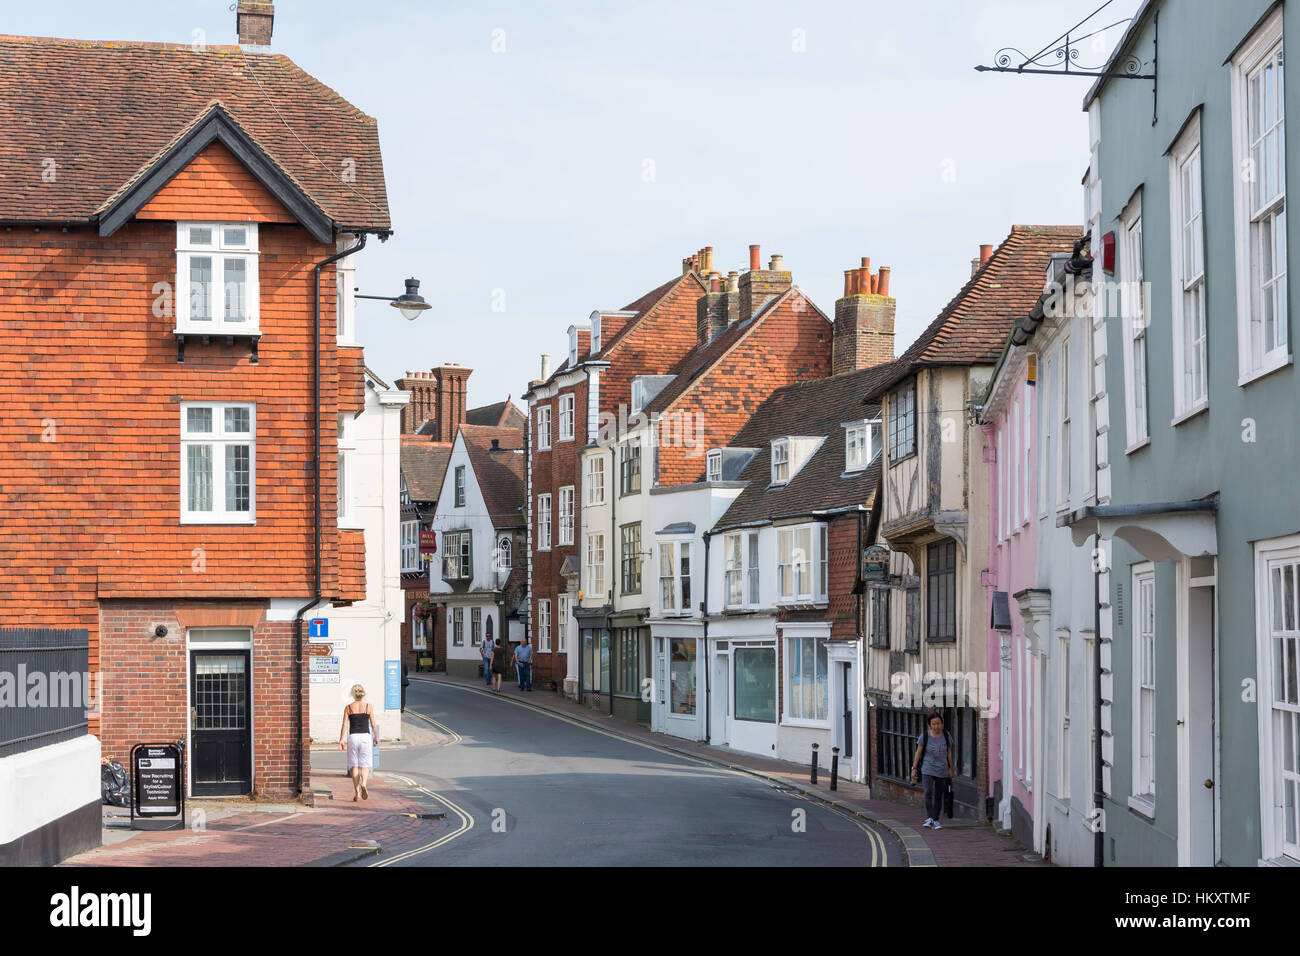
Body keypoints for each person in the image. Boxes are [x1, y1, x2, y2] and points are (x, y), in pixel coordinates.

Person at [910, 710, 954, 830]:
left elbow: (949, 753)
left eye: (938, 723)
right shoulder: (924, 736)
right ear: (930, 725)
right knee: (928, 792)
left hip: (942, 769)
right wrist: (914, 768)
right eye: (934, 724)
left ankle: (935, 819)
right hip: (927, 769)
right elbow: (918, 753)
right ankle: (929, 817)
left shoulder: (946, 735)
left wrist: (950, 768)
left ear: (942, 723)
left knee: (939, 795)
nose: (936, 726)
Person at [338, 683, 379, 802]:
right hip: (366, 737)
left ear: (352, 694)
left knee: (354, 766)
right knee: (364, 765)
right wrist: (375, 737)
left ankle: (357, 794)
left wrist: (341, 739)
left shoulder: (348, 707)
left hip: (353, 737)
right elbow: (373, 724)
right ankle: (364, 784)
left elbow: (344, 724)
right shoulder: (368, 707)